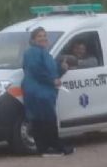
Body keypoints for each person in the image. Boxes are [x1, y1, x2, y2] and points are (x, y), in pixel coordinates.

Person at [22, 27, 74, 156]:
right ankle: (50, 148)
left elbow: (51, 70)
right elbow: (37, 70)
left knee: (42, 119)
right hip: (38, 91)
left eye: (44, 35)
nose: (43, 38)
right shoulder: (33, 52)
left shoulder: (44, 53)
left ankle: (47, 147)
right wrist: (52, 80)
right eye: (39, 36)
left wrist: (61, 69)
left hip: (43, 90)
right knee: (45, 119)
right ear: (33, 39)